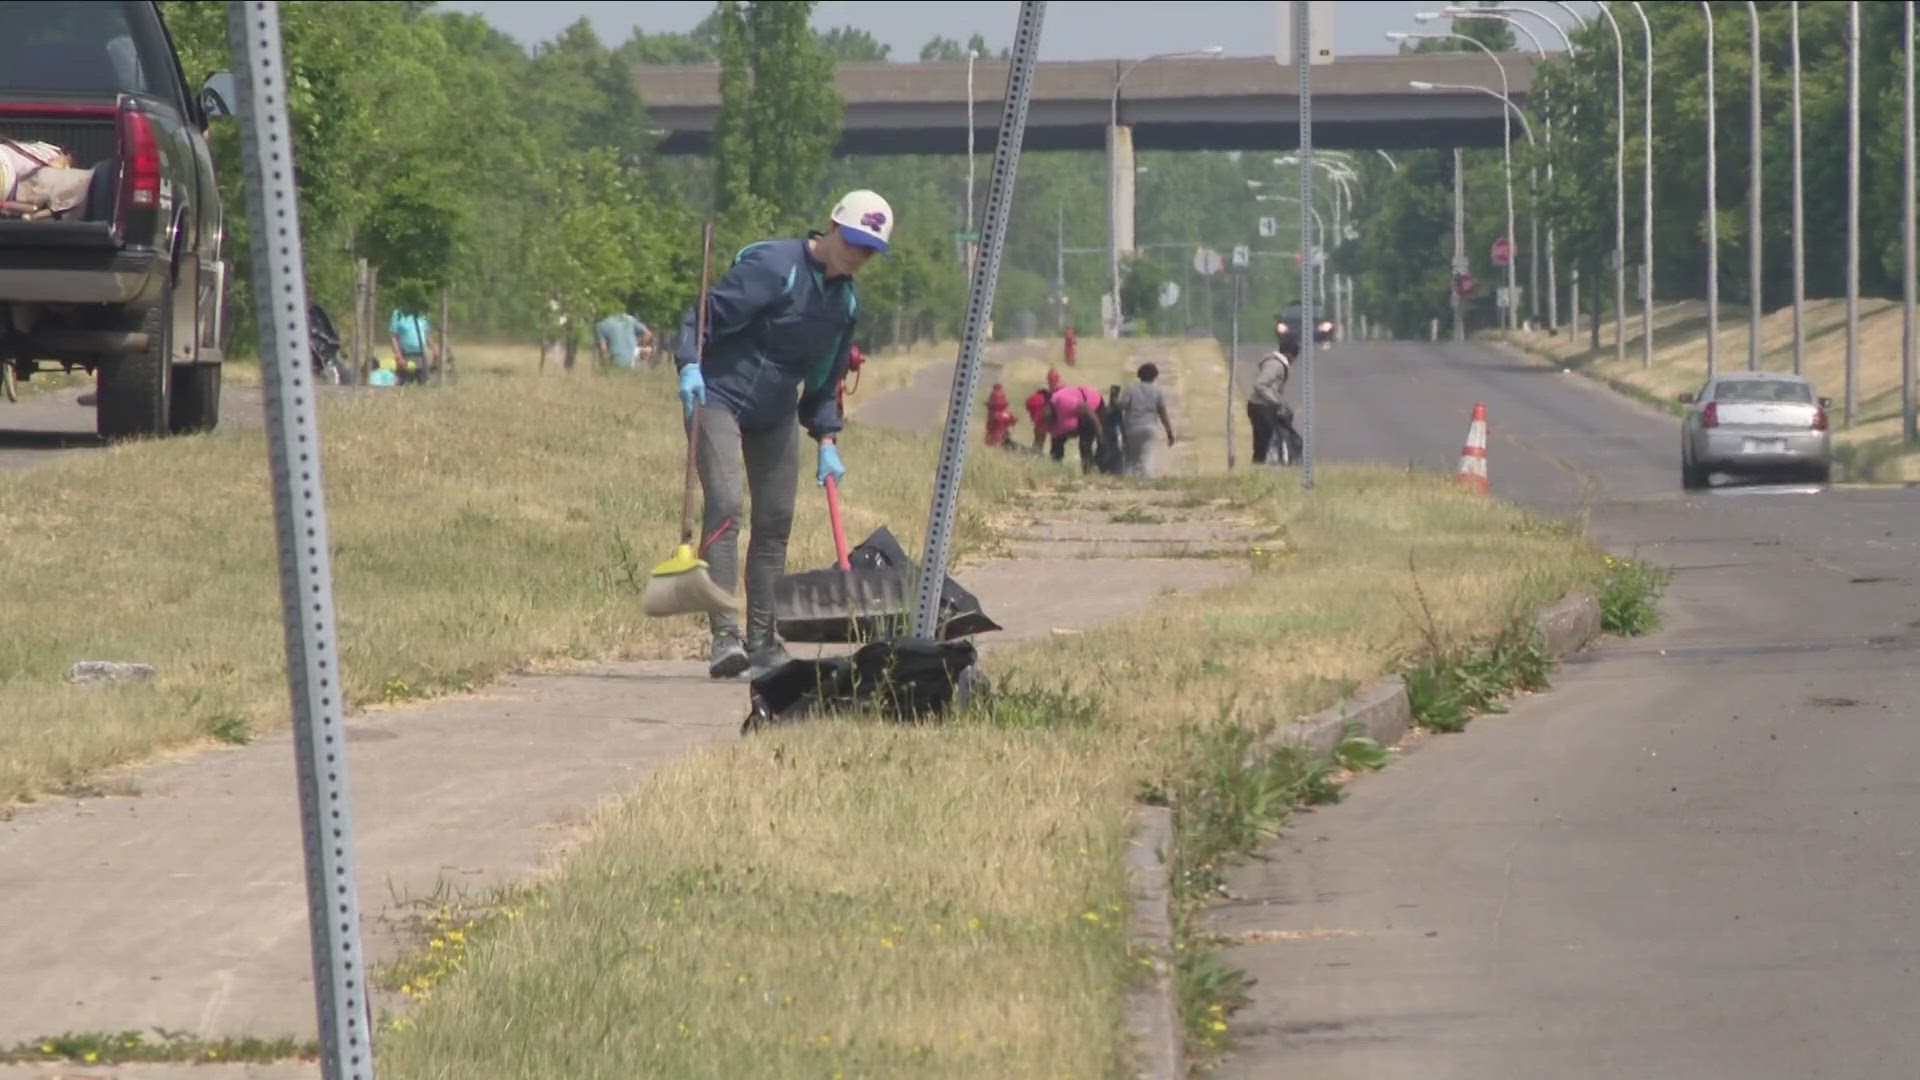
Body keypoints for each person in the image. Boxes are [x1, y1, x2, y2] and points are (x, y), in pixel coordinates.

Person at [675, 189, 890, 680]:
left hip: (774, 412)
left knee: (775, 522)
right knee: (727, 504)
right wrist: (689, 365)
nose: (857, 255)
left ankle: (763, 642)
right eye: (854, 242)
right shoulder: (776, 267)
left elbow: (824, 375)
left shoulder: (845, 302)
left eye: (868, 250)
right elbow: (703, 318)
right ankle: (724, 638)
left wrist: (827, 438)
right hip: (718, 397)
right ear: (833, 227)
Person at [1117, 362, 1178, 478]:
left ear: (1139, 375)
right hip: (1150, 428)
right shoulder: (1157, 392)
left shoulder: (1130, 389)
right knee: (1146, 457)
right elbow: (1163, 413)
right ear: (1155, 377)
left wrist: (1114, 401)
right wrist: (1169, 432)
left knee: (1130, 459)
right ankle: (1147, 481)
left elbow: (1122, 406)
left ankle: (1127, 481)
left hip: (1132, 427)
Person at [1247, 341, 1297, 465]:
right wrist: (1275, 401)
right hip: (1261, 406)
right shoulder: (1275, 365)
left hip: (1265, 406)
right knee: (1263, 441)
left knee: (1268, 439)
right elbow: (1260, 384)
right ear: (1290, 355)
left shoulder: (1276, 364)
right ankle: (1258, 464)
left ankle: (1262, 463)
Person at [1046, 381, 1105, 472]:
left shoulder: (1064, 402)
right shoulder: (1050, 416)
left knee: (1085, 443)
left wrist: (1100, 434)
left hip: (1093, 407)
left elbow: (1088, 411)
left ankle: (1089, 470)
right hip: (1077, 414)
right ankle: (1056, 468)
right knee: (1057, 442)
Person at [388, 306, 434, 385]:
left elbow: (427, 335)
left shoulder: (422, 314)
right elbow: (394, 337)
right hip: (405, 356)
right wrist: (399, 357)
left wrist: (434, 351)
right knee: (404, 384)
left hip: (421, 356)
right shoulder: (398, 313)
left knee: (423, 385)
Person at [985, 382, 1018, 448]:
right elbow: (1013, 420)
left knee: (993, 438)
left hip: (994, 434)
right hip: (1003, 429)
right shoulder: (1006, 413)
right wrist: (1013, 420)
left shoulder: (993, 394)